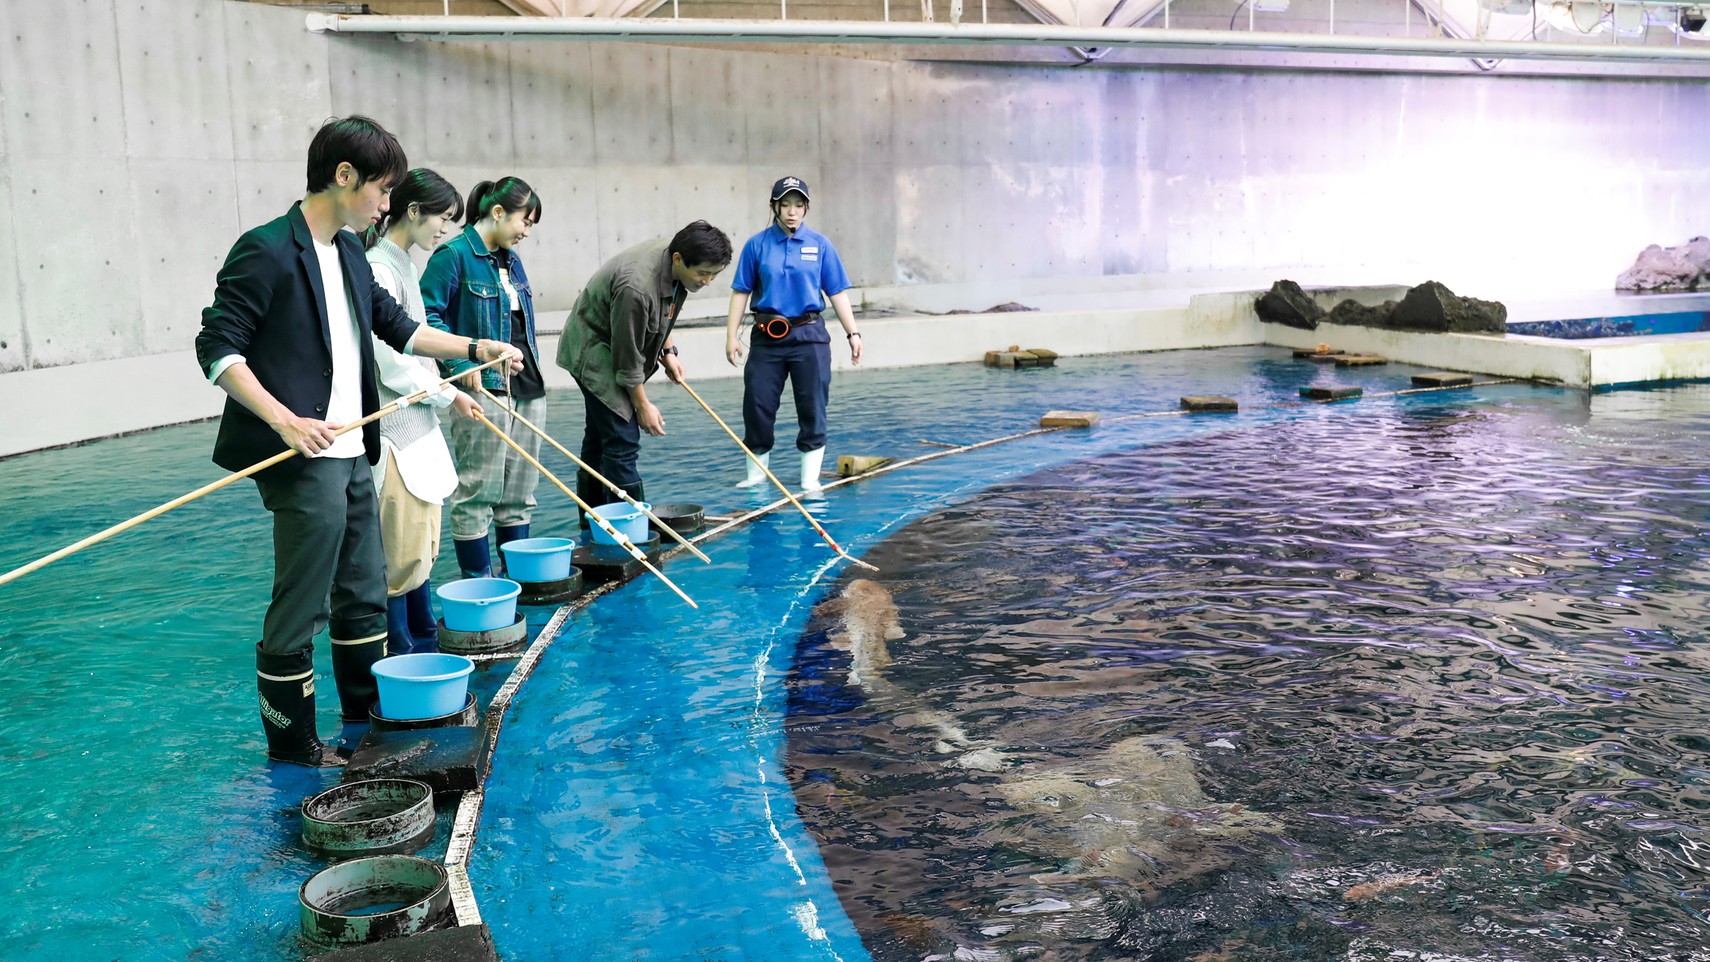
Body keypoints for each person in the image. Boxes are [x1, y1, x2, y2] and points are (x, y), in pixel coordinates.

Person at [195, 116, 522, 767]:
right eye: (382, 189)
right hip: (303, 454)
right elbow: (216, 346)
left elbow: (397, 327)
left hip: (353, 452)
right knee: (301, 602)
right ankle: (294, 747)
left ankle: (358, 723)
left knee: (366, 591)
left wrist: (477, 349)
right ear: (343, 177)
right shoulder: (265, 249)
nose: (387, 204)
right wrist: (285, 419)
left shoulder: (347, 251)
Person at [363, 168, 480, 656]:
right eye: (442, 220)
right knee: (400, 548)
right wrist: (450, 394)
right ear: (413, 211)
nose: (444, 231)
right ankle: (401, 647)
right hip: (393, 430)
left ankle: (424, 632)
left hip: (420, 424)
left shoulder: (404, 264)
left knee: (422, 545)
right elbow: (392, 362)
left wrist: (446, 390)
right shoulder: (377, 267)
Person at [556, 221, 732, 512]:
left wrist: (668, 351)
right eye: (703, 273)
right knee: (623, 438)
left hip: (617, 340)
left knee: (599, 439)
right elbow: (627, 360)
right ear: (678, 259)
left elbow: (664, 308)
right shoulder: (636, 288)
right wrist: (643, 406)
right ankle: (629, 525)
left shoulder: (677, 255)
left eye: (714, 275)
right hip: (594, 348)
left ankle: (594, 521)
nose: (708, 281)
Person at [421, 177, 545, 579]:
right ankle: (479, 582)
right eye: (524, 222)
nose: (526, 231)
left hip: (527, 387)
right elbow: (426, 320)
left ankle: (518, 579)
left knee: (520, 494)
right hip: (483, 388)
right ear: (497, 213)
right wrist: (460, 371)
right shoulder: (452, 256)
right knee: (479, 491)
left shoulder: (512, 258)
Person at [725, 176, 861, 493]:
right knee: (757, 406)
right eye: (785, 204)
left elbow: (837, 291)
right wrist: (731, 336)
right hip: (766, 337)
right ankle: (757, 476)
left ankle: (809, 480)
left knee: (813, 406)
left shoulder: (820, 245)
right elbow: (740, 292)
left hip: (809, 337)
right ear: (774, 207)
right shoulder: (756, 245)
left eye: (798, 205)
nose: (791, 212)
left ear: (806, 208)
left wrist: (853, 333)